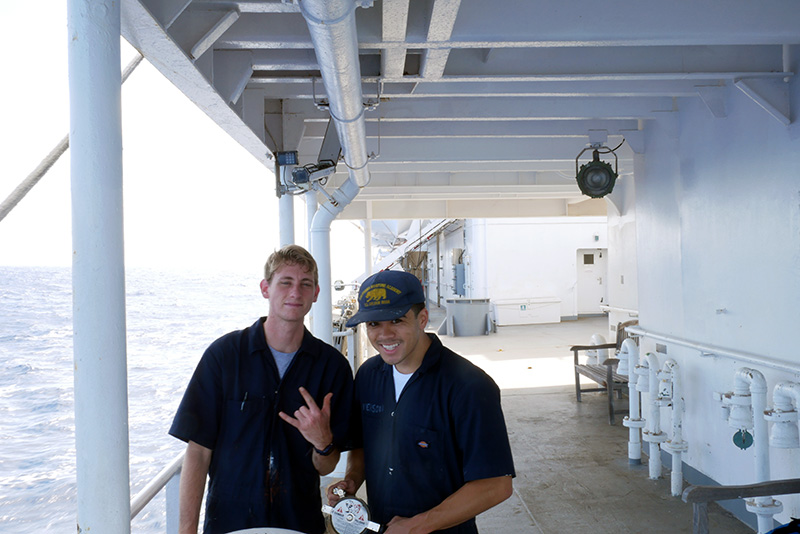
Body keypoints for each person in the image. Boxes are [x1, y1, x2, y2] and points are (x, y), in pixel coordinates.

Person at [169, 245, 355, 534]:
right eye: (286, 282)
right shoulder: (224, 356)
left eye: (305, 284)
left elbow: (326, 466)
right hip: (229, 524)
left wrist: (323, 441)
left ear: (316, 293)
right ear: (265, 288)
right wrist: (186, 531)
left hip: (299, 523)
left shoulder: (332, 367)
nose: (295, 292)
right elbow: (199, 452)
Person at [328, 270, 515, 534]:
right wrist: (352, 480)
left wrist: (417, 526)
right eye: (373, 324)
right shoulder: (368, 375)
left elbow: (496, 485)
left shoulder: (469, 386)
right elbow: (361, 444)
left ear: (422, 319)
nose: (384, 335)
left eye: (396, 320)